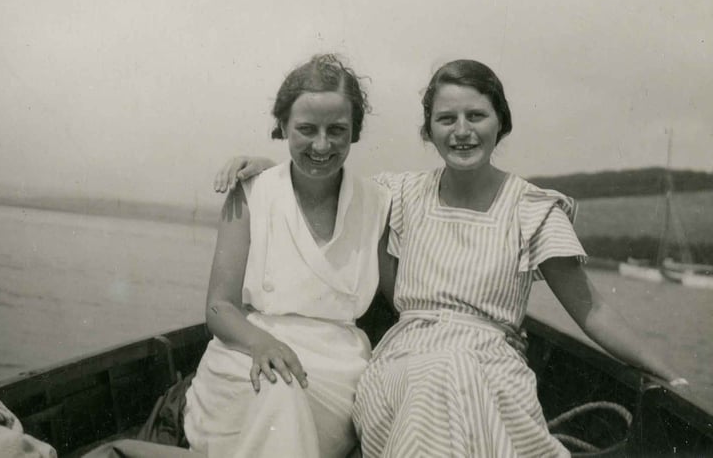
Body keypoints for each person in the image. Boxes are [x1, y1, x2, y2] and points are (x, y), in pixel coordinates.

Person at [215, 59, 687, 457]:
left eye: (476, 116)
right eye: (446, 120)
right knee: (442, 372)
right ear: (429, 130)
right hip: (403, 371)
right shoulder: (397, 195)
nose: (462, 132)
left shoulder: (534, 210)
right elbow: (323, 175)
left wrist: (667, 372)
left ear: (501, 121)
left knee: (455, 373)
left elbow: (594, 310)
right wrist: (267, 168)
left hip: (493, 376)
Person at [182, 54, 391, 458]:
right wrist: (262, 344)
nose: (321, 144)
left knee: (288, 398)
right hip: (246, 356)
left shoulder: (378, 203)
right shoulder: (251, 192)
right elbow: (219, 307)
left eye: (337, 130)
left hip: (336, 376)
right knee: (277, 391)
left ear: (356, 132)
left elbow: (405, 296)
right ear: (282, 127)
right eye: (306, 129)